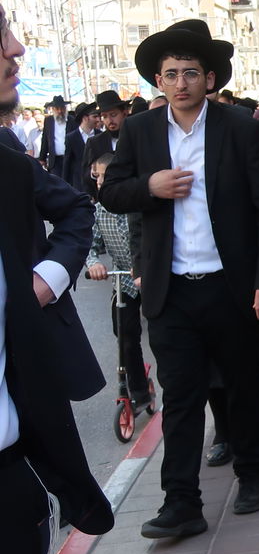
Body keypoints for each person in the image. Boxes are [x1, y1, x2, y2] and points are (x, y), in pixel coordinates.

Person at [99, 18, 259, 539]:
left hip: (232, 287)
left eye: (190, 73)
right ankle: (181, 502)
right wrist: (150, 185)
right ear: (158, 82)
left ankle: (253, 474)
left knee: (243, 387)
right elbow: (111, 193)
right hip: (171, 290)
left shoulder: (240, 129)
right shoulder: (139, 132)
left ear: (209, 79)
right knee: (181, 396)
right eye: (170, 74)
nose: (180, 83)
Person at [0, 0, 113, 554]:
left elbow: (73, 212)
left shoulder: (7, 164)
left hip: (10, 464)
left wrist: (47, 277)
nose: (16, 47)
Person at [86, 151, 152, 413]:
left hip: (150, 279)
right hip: (123, 282)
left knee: (163, 336)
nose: (100, 182)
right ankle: (138, 391)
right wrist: (95, 264)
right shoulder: (99, 211)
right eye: (97, 176)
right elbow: (90, 246)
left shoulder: (142, 205)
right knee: (125, 337)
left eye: (105, 176)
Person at [80, 90, 129, 201]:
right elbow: (85, 176)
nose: (110, 121)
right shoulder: (94, 143)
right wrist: (94, 174)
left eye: (113, 115)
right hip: (106, 202)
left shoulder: (135, 138)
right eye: (105, 116)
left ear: (124, 113)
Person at [37, 96, 69, 177]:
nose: (60, 111)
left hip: (70, 159)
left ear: (65, 108)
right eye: (57, 108)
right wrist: (42, 158)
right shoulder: (48, 121)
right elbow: (45, 140)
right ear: (53, 109)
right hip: (55, 160)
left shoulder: (72, 121)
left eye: (62, 108)